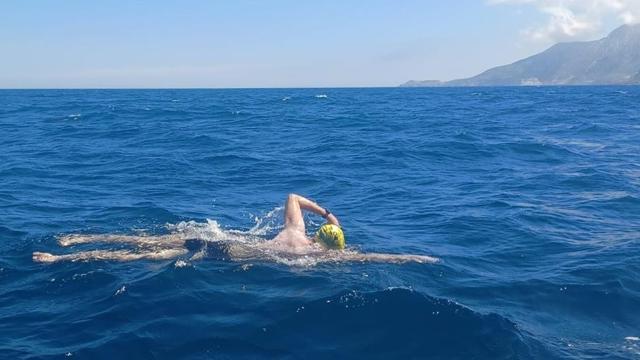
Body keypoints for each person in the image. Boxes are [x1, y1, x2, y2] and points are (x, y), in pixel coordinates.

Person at [33, 194, 437, 264]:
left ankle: (78, 239)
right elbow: (381, 257)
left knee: (150, 242)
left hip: (218, 238)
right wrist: (415, 257)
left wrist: (328, 212)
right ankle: (58, 258)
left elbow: (294, 196)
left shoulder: (298, 233)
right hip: (228, 255)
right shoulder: (316, 257)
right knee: (149, 255)